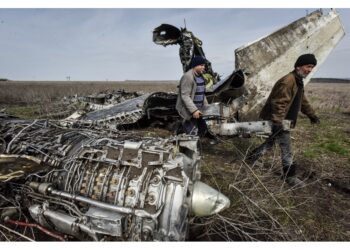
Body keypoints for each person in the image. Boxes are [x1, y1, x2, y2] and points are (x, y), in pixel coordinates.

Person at [247, 54, 321, 185]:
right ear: (299, 66)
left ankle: (252, 157)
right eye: (308, 66)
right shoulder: (288, 81)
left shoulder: (298, 81)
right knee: (286, 147)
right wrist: (277, 122)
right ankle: (290, 176)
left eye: (312, 67)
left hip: (283, 120)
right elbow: (279, 103)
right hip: (280, 120)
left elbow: (302, 101)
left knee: (271, 142)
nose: (309, 70)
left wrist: (312, 115)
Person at [176, 56, 209, 137]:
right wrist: (194, 111)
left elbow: (201, 93)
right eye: (201, 65)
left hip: (199, 110)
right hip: (189, 111)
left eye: (204, 65)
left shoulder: (200, 76)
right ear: (195, 66)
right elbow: (185, 96)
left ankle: (201, 145)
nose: (203, 67)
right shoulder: (188, 77)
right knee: (192, 135)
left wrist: (207, 107)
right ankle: (188, 147)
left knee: (203, 129)